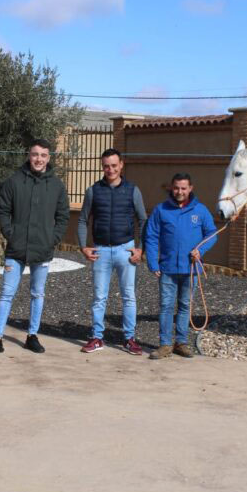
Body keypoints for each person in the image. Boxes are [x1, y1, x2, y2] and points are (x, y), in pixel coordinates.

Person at [0, 139, 69, 356]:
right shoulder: (14, 181)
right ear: (28, 155)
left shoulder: (57, 186)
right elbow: (2, 210)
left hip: (43, 249)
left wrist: (53, 238)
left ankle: (32, 336)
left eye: (43, 155)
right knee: (6, 294)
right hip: (16, 249)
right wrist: (11, 235)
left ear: (49, 158)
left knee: (37, 293)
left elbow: (63, 216)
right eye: (35, 154)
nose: (39, 159)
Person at [77, 148, 147, 355]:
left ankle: (129, 339)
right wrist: (83, 246)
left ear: (121, 165)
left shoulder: (133, 190)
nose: (110, 169)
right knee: (99, 297)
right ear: (102, 166)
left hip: (125, 249)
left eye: (114, 165)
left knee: (129, 296)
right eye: (106, 166)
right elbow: (82, 220)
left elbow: (143, 220)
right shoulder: (93, 190)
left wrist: (140, 248)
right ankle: (97, 337)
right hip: (101, 251)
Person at [144, 173, 218, 359]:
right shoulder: (161, 210)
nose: (180, 191)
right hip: (167, 268)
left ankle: (181, 342)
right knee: (166, 306)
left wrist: (200, 250)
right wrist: (153, 263)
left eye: (183, 188)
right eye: (176, 188)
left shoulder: (200, 211)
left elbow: (212, 234)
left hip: (190, 269)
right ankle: (165, 345)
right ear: (171, 188)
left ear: (190, 188)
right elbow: (151, 236)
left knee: (185, 306)